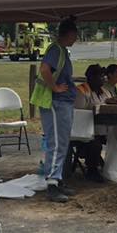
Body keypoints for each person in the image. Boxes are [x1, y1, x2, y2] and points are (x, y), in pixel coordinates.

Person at [32, 17, 79, 202]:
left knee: (62, 142)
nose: (75, 40)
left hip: (62, 102)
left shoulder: (61, 51)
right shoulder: (55, 50)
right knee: (56, 142)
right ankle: (52, 182)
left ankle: (57, 179)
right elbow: (44, 69)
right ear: (68, 34)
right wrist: (55, 87)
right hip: (55, 102)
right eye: (74, 36)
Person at [74, 64, 108, 182]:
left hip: (102, 128)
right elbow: (78, 113)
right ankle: (92, 170)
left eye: (104, 76)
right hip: (83, 130)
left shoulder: (104, 91)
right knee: (95, 144)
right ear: (92, 77)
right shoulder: (81, 91)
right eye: (101, 76)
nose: (104, 78)